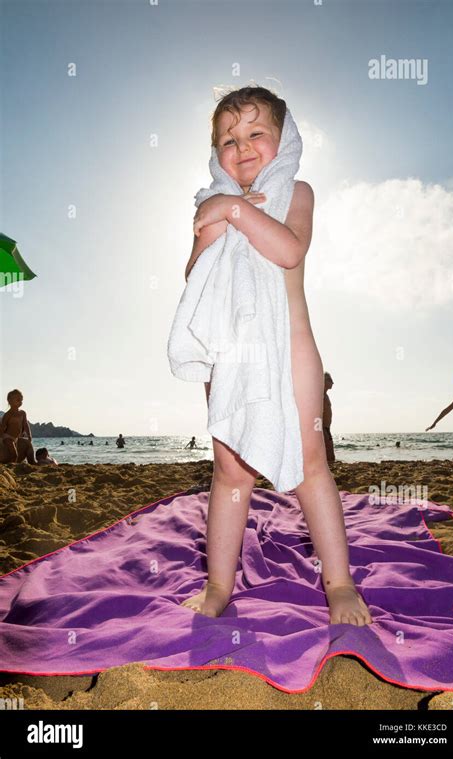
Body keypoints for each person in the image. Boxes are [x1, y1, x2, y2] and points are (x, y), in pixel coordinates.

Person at [180, 86, 372, 626]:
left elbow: (288, 248)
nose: (241, 147)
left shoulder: (297, 192)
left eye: (255, 133)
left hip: (291, 349)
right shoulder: (210, 204)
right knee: (229, 471)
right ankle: (219, 584)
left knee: (312, 465)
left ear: (284, 140)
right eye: (227, 139)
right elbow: (196, 280)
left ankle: (338, 584)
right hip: (230, 357)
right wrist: (215, 220)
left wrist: (235, 211)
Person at [0, 388, 36, 464]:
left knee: (27, 445)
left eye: (21, 400)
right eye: (18, 400)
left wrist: (29, 435)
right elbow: (2, 427)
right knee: (14, 454)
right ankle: (12, 467)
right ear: (10, 401)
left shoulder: (22, 413)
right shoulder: (8, 415)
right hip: (7, 437)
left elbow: (25, 424)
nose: (20, 402)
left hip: (16, 438)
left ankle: (32, 462)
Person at [322, 372, 335, 463]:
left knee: (329, 451)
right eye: (330, 380)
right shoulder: (319, 394)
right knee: (328, 449)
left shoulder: (325, 395)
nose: (332, 382)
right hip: (321, 427)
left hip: (326, 427)